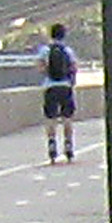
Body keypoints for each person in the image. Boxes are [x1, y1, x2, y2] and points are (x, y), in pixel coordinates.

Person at [39, 21, 79, 161]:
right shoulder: (68, 51)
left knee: (51, 118)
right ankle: (68, 145)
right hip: (65, 87)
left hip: (50, 87)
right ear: (63, 35)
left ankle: (51, 144)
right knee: (67, 118)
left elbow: (40, 69)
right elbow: (74, 67)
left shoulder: (45, 50)